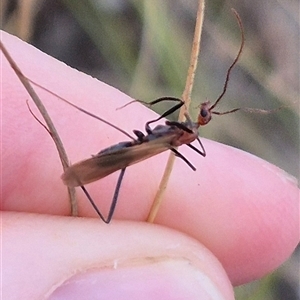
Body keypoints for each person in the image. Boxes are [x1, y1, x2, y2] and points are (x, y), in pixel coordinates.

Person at [2, 30, 299, 299]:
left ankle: (40, 92)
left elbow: (161, 129)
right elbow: (164, 129)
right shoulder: (186, 132)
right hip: (143, 143)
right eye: (206, 111)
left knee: (106, 150)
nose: (203, 110)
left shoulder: (186, 133)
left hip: (133, 149)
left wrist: (169, 129)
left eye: (205, 112)